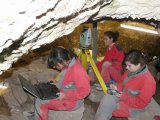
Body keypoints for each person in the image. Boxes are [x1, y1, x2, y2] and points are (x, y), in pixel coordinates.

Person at [94, 50, 156, 120]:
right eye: (126, 65)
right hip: (123, 95)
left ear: (139, 64)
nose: (126, 68)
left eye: (129, 65)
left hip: (135, 106)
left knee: (109, 109)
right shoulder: (130, 71)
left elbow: (141, 103)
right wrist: (116, 87)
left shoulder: (148, 81)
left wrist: (123, 96)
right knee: (105, 101)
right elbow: (122, 83)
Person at [35, 47, 90, 120]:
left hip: (73, 101)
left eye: (55, 65)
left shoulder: (78, 70)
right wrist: (56, 83)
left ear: (61, 61)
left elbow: (85, 91)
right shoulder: (68, 63)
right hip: (63, 93)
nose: (55, 68)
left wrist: (65, 96)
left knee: (40, 101)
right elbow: (69, 82)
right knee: (40, 94)